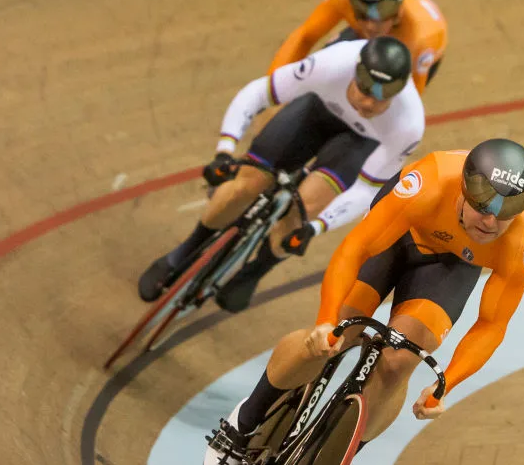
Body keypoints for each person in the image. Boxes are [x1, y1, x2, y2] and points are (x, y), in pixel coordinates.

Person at [203, 138, 524, 465]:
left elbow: (492, 324)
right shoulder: (431, 181)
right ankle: (245, 420)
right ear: (465, 189)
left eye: (506, 211)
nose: (491, 220)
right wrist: (325, 321)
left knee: (399, 362)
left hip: (450, 265)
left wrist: (446, 386)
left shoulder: (522, 237)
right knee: (338, 332)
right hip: (398, 234)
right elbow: (356, 249)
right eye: (483, 204)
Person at [137, 36, 426, 311]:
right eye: (365, 88)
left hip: (357, 143)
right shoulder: (333, 62)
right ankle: (182, 253)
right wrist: (225, 150)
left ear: (400, 90)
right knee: (245, 185)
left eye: (383, 96)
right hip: (317, 114)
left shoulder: (408, 124)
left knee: (303, 210)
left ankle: (254, 271)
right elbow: (259, 93)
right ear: (355, 71)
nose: (369, 103)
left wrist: (316, 227)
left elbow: (367, 190)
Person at [270, 0, 448, 94]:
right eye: (362, 12)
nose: (370, 25)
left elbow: (409, 97)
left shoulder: (421, 38)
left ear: (398, 11)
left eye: (381, 14)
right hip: (371, 36)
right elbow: (305, 37)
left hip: (407, 53)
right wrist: (272, 88)